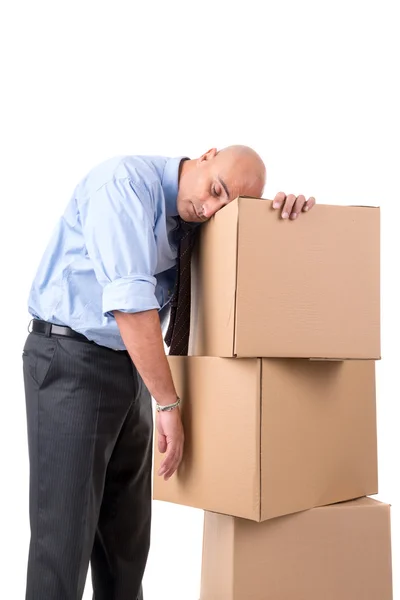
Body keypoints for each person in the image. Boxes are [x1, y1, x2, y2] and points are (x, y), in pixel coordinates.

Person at [22, 145, 316, 600]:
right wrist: (169, 403)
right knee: (62, 546)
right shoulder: (123, 187)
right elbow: (132, 308)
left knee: (126, 548)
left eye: (228, 206)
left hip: (133, 368)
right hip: (70, 361)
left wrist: (287, 223)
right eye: (216, 190)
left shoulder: (196, 221)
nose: (212, 207)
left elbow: (242, 271)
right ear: (205, 155)